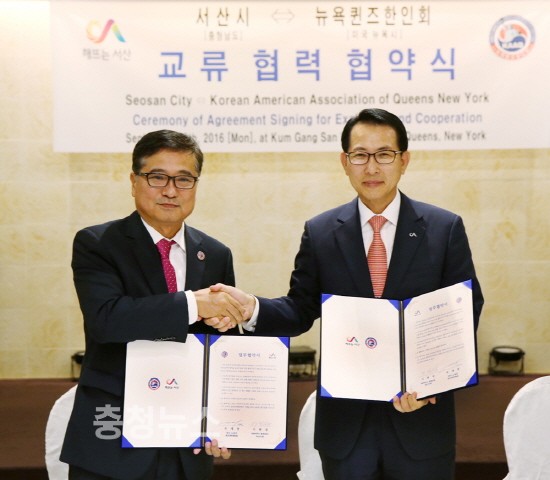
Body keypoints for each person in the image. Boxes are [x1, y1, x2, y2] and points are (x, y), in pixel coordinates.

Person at [213, 108, 484, 479]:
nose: (371, 167)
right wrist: (253, 309)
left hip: (420, 421)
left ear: (404, 160)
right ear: (344, 162)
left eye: (384, 154)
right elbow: (300, 308)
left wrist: (432, 383)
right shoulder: (321, 232)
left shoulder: (443, 228)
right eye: (360, 155)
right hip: (346, 428)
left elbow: (464, 311)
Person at [60, 130, 245, 480]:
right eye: (157, 177)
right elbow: (107, 320)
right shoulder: (98, 243)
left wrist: (227, 420)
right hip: (112, 436)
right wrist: (193, 304)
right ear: (134, 181)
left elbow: (222, 351)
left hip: (187, 443)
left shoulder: (216, 253)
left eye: (184, 179)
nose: (171, 190)